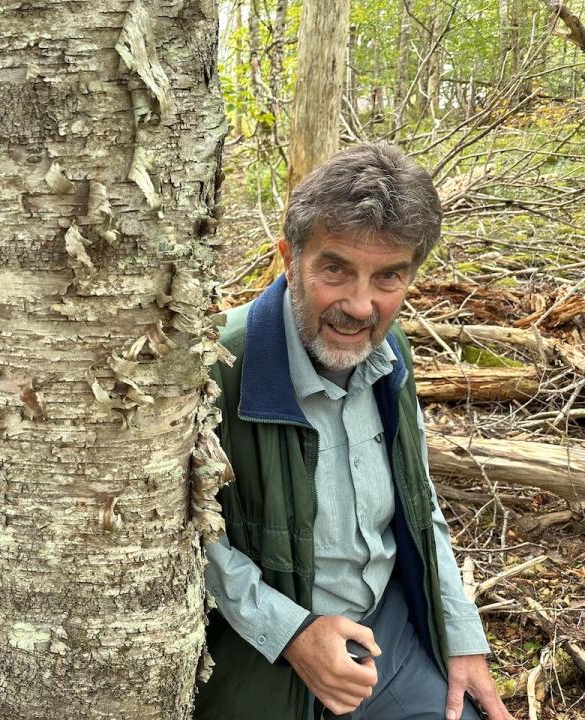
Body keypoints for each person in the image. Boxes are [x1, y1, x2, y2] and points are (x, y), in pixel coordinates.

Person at [195, 144, 512, 720]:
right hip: (262, 648)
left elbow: (420, 502)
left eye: (387, 277)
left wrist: (461, 635)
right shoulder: (217, 365)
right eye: (335, 269)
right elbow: (181, 535)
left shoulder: (392, 356)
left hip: (387, 633)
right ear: (289, 258)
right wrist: (291, 632)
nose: (360, 305)